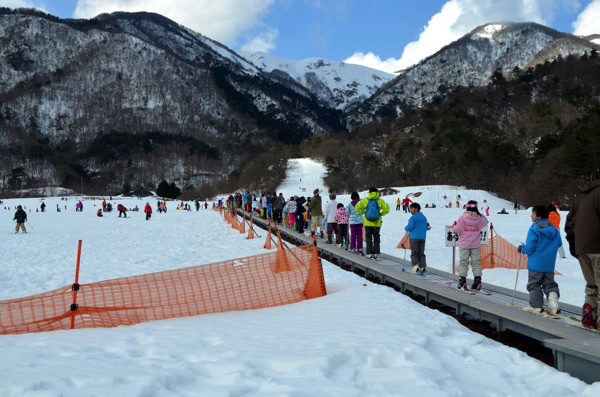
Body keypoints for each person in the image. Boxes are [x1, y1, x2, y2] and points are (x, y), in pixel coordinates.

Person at [565, 175, 600, 331]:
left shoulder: (580, 194)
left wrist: (573, 242)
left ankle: (589, 316)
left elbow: (570, 221)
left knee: (592, 285)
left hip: (582, 247)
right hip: (598, 246)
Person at [517, 205, 562, 314]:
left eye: (533, 213)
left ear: (538, 216)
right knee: (549, 283)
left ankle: (536, 306)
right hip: (549, 264)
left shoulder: (535, 228)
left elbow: (531, 247)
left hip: (536, 263)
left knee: (534, 283)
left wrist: (522, 249)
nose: (531, 215)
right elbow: (559, 243)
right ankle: (553, 303)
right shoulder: (554, 229)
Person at [453, 200, 489, 290]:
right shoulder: (480, 218)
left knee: (463, 262)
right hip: (475, 244)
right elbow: (486, 221)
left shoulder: (462, 217)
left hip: (464, 244)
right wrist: (479, 214)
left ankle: (462, 281)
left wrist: (454, 226)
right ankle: (477, 281)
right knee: (476, 262)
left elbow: (457, 229)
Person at [355, 187, 390, 260]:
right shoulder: (380, 200)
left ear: (369, 192)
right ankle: (376, 253)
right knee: (376, 237)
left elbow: (357, 207)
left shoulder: (365, 200)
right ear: (377, 192)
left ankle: (369, 253)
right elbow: (387, 209)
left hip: (367, 222)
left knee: (368, 237)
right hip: (377, 223)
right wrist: (380, 214)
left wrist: (364, 212)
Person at [405, 202, 428, 274]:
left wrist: (406, 228)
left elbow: (409, 227)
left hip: (414, 237)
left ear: (416, 209)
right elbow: (426, 227)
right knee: (421, 252)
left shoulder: (413, 218)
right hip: (422, 237)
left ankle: (415, 266)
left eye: (411, 208)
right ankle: (423, 266)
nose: (410, 210)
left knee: (414, 252)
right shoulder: (424, 217)